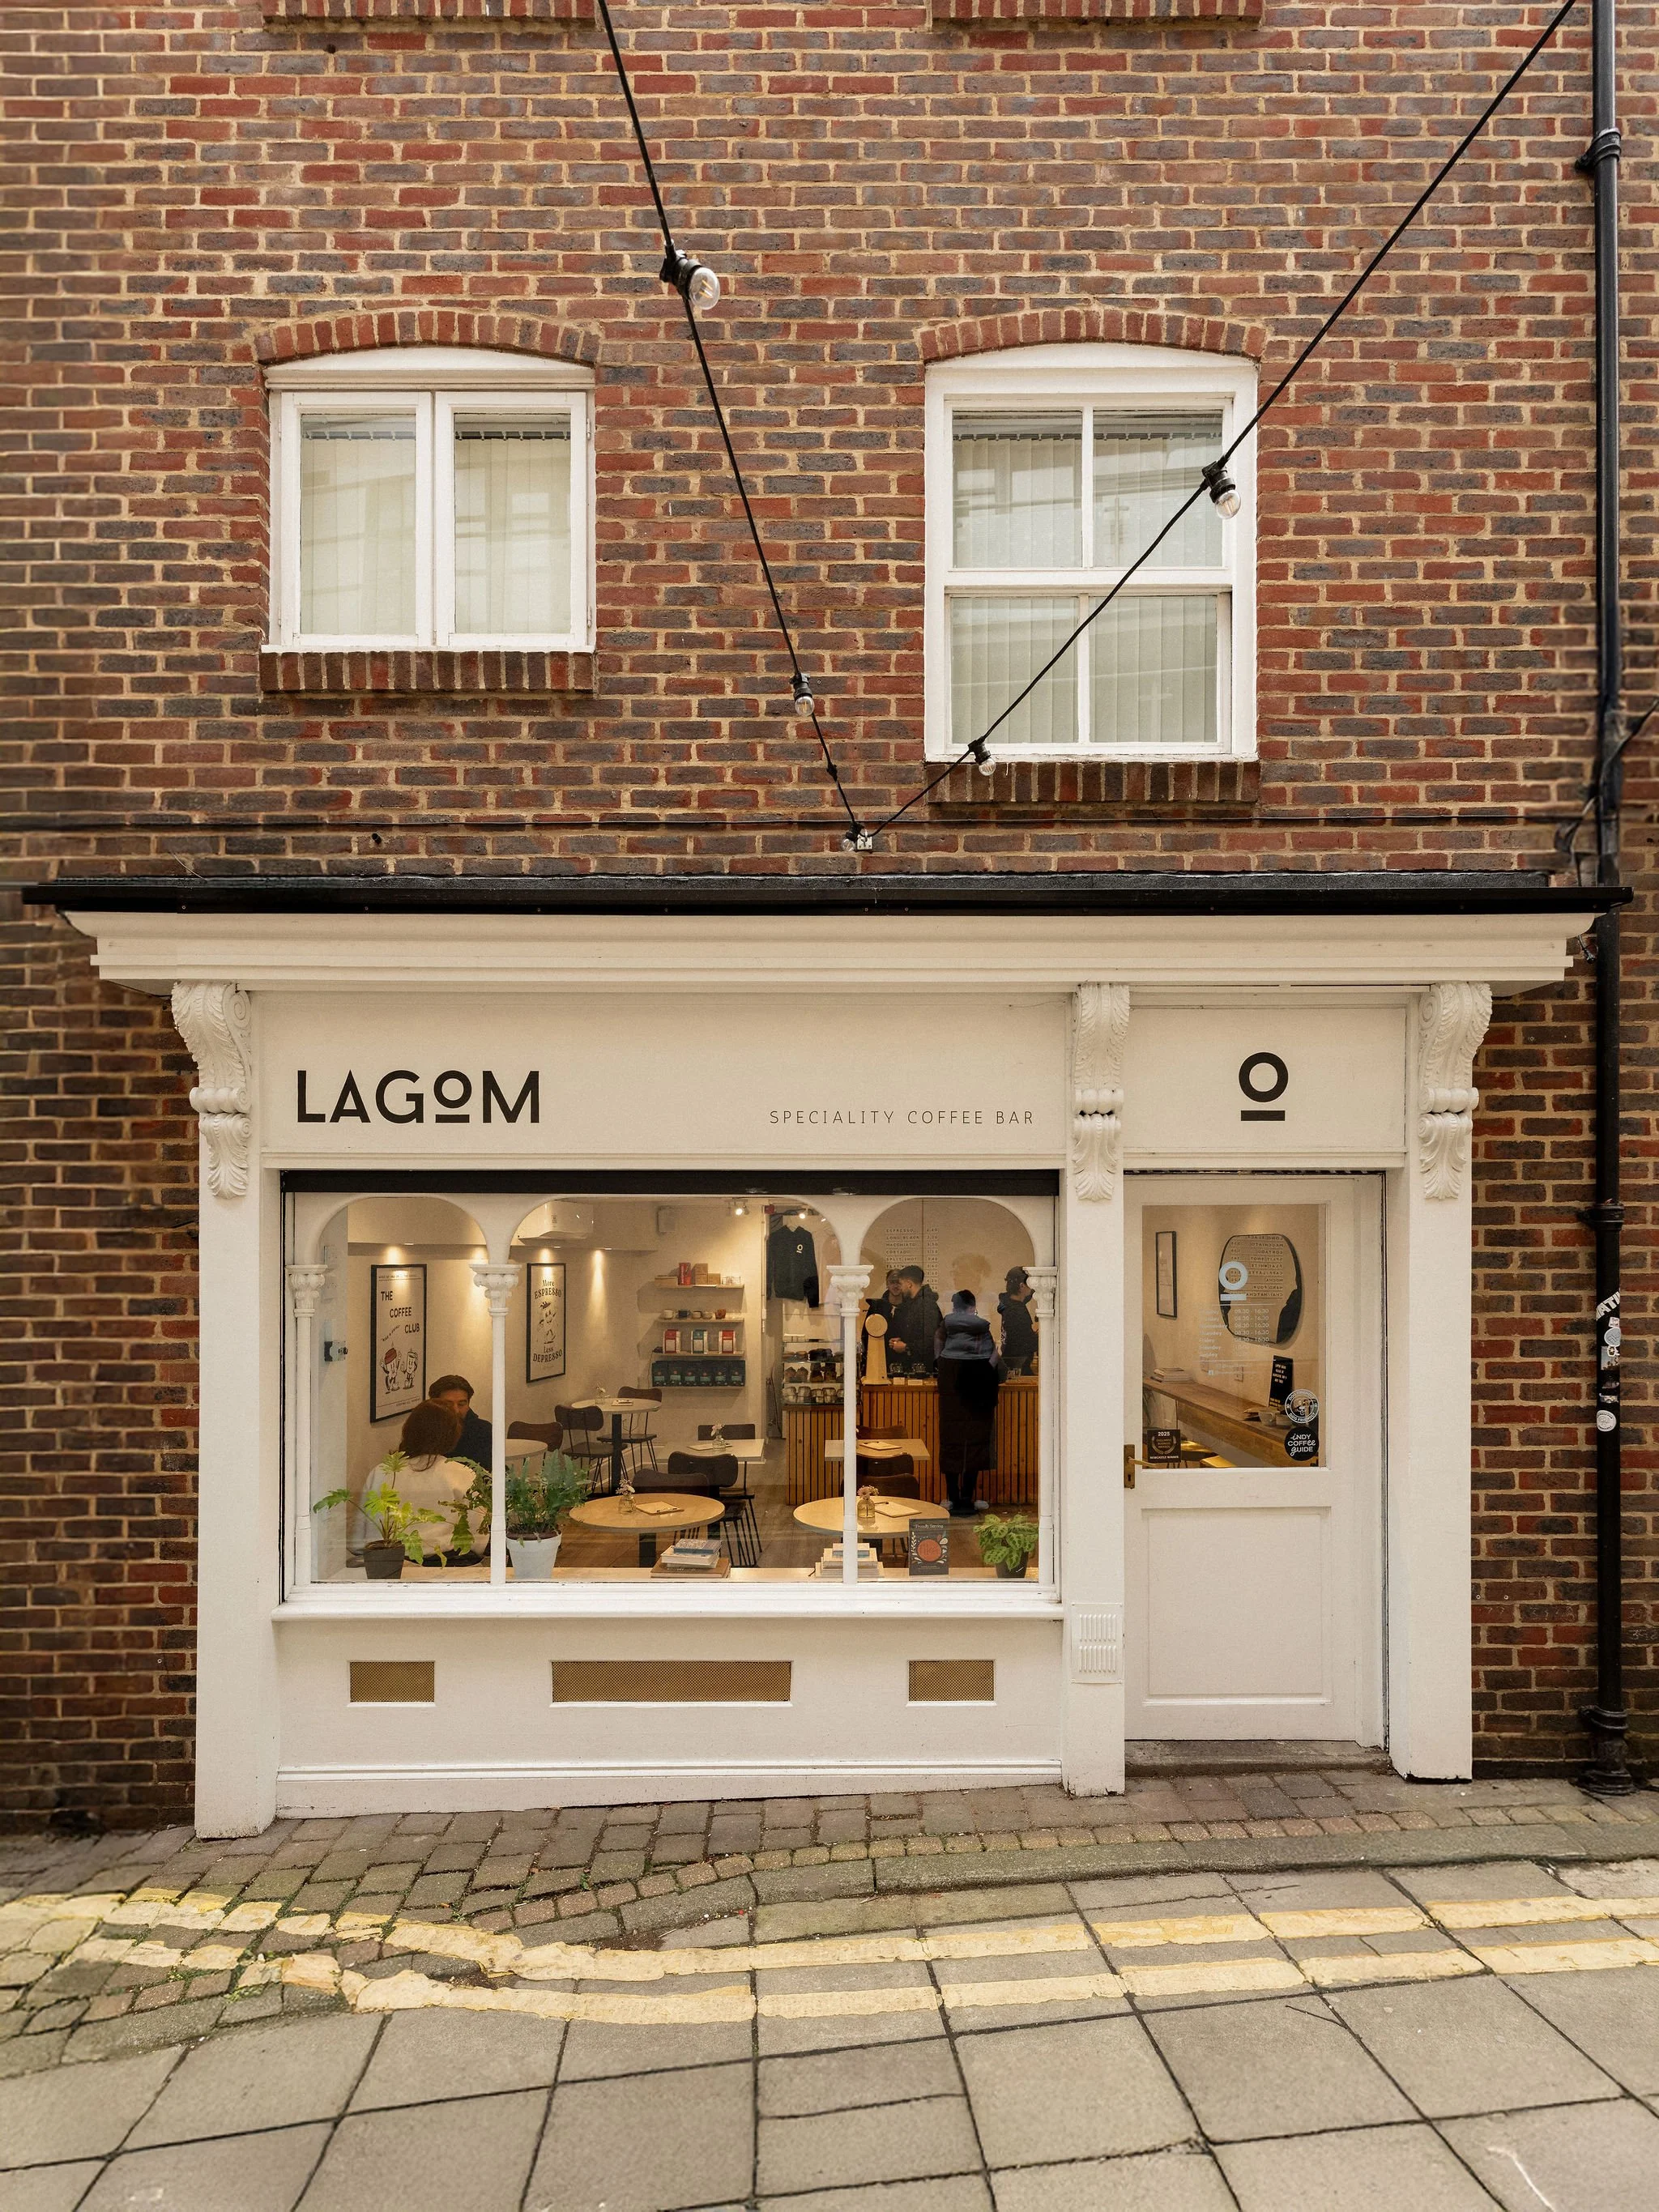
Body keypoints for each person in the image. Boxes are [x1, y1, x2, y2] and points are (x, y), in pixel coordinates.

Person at [365, 1400, 478, 1561]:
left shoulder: (380, 1472)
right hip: (445, 1563)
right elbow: (475, 1538)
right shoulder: (460, 1474)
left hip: (386, 1561)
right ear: (452, 1436)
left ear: (409, 1430)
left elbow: (361, 1533)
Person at [934, 1290, 1003, 1517]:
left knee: (951, 1443)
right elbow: (995, 1360)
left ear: (954, 1307)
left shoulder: (945, 1327)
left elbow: (937, 1351)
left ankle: (952, 1498)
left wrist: (941, 1364)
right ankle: (968, 1498)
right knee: (975, 1444)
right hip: (979, 1394)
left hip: (951, 1392)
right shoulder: (983, 1328)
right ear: (973, 1306)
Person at [430, 1373, 493, 1469]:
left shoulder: (483, 1431)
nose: (456, 1410)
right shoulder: (424, 1431)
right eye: (448, 1404)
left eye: (461, 1404)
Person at [889, 1264, 941, 1377]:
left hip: (924, 1370)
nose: (900, 1288)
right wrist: (901, 1340)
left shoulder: (926, 1306)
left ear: (909, 1284)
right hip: (918, 1367)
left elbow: (930, 1339)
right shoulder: (916, 1305)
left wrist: (906, 1347)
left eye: (901, 1284)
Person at [997, 1266, 1038, 1374]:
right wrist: (1041, 1333)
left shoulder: (1007, 1302)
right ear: (1022, 1286)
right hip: (1019, 1364)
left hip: (1009, 1359)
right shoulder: (1018, 1311)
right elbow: (1027, 1343)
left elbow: (1026, 1296)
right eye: (1030, 1284)